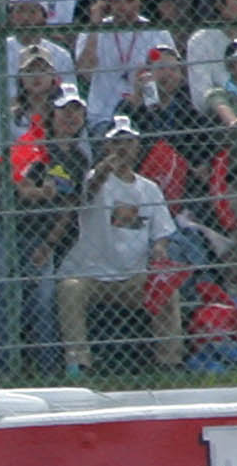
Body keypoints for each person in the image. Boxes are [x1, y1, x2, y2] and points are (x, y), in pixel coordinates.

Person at [53, 117, 180, 374]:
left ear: (138, 145)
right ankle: (79, 363)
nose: (123, 148)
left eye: (129, 141)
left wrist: (160, 248)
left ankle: (170, 362)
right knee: (70, 290)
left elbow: (162, 231)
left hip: (132, 276)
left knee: (169, 292)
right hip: (92, 274)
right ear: (106, 146)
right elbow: (90, 190)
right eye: (117, 142)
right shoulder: (95, 178)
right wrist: (103, 170)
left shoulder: (150, 189)